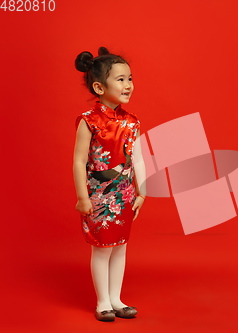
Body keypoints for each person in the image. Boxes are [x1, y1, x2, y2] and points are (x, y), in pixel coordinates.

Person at [73, 46, 147, 322]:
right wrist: (83, 197)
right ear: (99, 86)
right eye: (120, 79)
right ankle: (102, 301)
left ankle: (116, 299)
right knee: (102, 249)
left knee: (120, 247)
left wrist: (143, 191)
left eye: (130, 78)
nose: (128, 84)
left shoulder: (132, 122)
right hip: (99, 197)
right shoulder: (88, 122)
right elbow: (79, 162)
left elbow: (138, 159)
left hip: (125, 195)